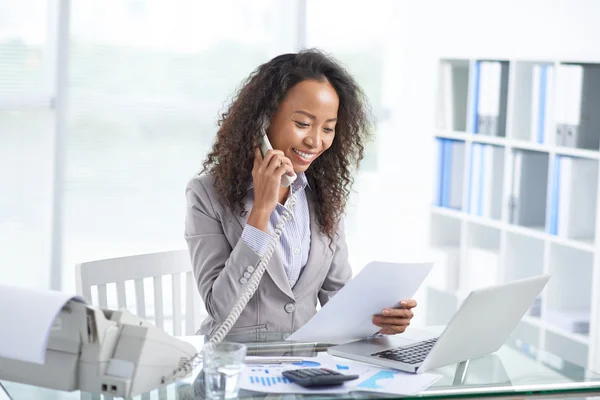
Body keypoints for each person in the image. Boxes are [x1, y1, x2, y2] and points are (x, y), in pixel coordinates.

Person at [185, 49, 417, 337]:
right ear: (263, 121)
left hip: (307, 366)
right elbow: (219, 307)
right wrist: (261, 212)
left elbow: (338, 298)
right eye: (303, 124)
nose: (315, 141)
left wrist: (380, 321)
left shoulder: (324, 197)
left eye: (328, 128)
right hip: (236, 364)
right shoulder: (207, 194)